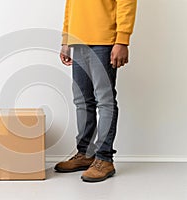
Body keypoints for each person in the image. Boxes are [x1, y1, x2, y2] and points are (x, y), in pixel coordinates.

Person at [54, 0, 137, 182]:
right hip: (77, 40)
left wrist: (122, 40)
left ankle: (104, 159)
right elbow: (71, 5)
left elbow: (127, 3)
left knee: (105, 100)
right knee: (82, 100)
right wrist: (66, 39)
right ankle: (86, 153)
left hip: (104, 41)